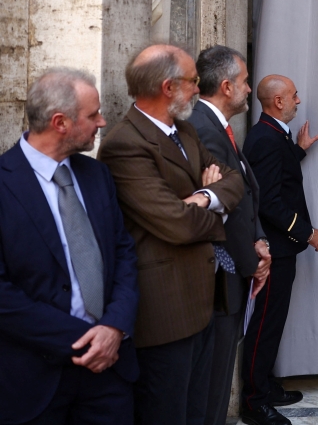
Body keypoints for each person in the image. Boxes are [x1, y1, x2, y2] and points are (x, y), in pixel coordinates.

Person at [98, 44, 245, 425]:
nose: (198, 88)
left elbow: (233, 181)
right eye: (193, 81)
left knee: (197, 413)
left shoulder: (186, 130)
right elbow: (177, 224)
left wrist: (202, 197)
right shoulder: (125, 144)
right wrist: (214, 209)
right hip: (166, 312)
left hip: (203, 301)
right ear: (168, 88)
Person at [0, 69, 139, 424]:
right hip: (32, 380)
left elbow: (123, 253)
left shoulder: (97, 175)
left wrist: (114, 328)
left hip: (108, 375)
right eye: (93, 115)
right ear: (60, 122)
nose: (102, 122)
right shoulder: (4, 183)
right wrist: (86, 340)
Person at [189, 46, 272, 425]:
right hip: (221, 276)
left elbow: (245, 193)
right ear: (226, 86)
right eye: (244, 81)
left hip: (235, 265)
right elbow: (229, 207)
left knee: (219, 378)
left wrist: (260, 239)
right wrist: (252, 260)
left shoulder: (218, 126)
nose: (249, 89)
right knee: (210, 384)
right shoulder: (204, 129)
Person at [240, 75, 318, 425]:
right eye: (294, 96)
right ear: (278, 101)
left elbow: (277, 174)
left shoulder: (274, 134)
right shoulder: (266, 138)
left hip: (280, 249)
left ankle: (265, 385)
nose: (298, 101)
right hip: (273, 251)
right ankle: (254, 401)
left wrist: (298, 151)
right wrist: (308, 233)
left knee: (273, 322)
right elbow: (268, 201)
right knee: (264, 324)